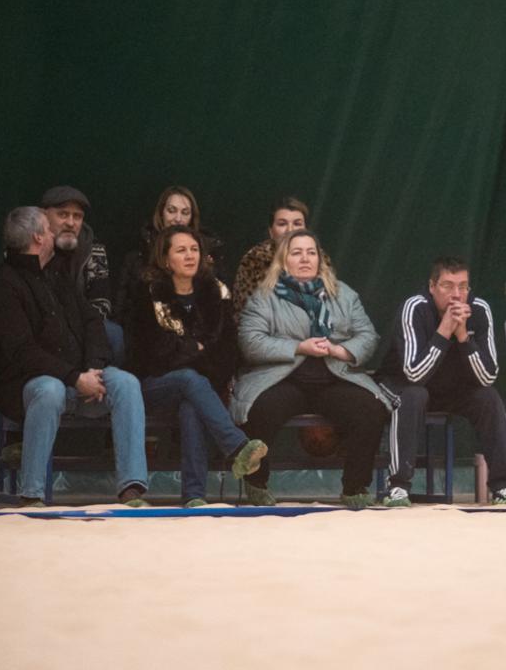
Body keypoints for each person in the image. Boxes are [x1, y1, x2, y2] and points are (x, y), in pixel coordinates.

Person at [0, 206, 148, 507]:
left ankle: (131, 488)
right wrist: (74, 377)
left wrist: (93, 368)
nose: (53, 233)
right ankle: (32, 494)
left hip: (81, 377)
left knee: (125, 383)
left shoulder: (57, 274)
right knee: (50, 389)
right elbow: (22, 352)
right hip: (28, 385)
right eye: (48, 228)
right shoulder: (3, 285)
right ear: (38, 238)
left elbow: (91, 320)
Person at [231, 229, 390, 509]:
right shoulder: (264, 296)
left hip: (335, 378)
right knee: (262, 408)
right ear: (284, 260)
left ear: (320, 259)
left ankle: (355, 487)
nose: (305, 259)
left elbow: (368, 335)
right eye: (296, 253)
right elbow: (250, 342)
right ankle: (256, 482)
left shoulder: (343, 294)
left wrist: (340, 350)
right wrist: (299, 347)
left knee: (370, 409)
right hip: (283, 379)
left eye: (311, 252)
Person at [126, 225, 268, 506]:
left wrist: (185, 351)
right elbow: (149, 353)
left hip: (202, 388)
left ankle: (194, 495)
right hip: (153, 384)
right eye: (181, 250)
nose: (190, 256)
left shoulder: (216, 291)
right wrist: (196, 350)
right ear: (166, 259)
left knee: (192, 403)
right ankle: (236, 446)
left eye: (194, 250)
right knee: (189, 379)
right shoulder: (148, 293)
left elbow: (227, 350)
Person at [378, 257, 506, 506]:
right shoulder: (415, 307)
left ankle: (502, 486)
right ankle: (398, 486)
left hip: (452, 387)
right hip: (403, 383)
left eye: (463, 286)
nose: (456, 295)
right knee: (413, 395)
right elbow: (414, 374)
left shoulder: (479, 309)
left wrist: (463, 336)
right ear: (432, 287)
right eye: (447, 286)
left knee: (489, 398)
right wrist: (444, 331)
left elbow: (487, 377)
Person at [115, 185, 226, 325]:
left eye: (185, 213)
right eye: (171, 211)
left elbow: (221, 305)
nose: (178, 219)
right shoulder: (139, 253)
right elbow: (123, 307)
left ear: (192, 218)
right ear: (161, 213)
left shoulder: (208, 253)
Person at [40, 185, 124, 362]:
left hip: (84, 324)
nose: (71, 223)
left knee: (113, 332)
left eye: (77, 216)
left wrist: (76, 326)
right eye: (63, 215)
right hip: (43, 324)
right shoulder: (31, 245)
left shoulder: (94, 248)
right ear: (44, 216)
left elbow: (102, 302)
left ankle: (101, 376)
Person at [232, 196, 329, 316]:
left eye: (297, 224)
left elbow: (333, 308)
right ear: (271, 232)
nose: (290, 230)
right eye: (282, 224)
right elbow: (244, 313)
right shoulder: (255, 260)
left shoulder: (320, 260)